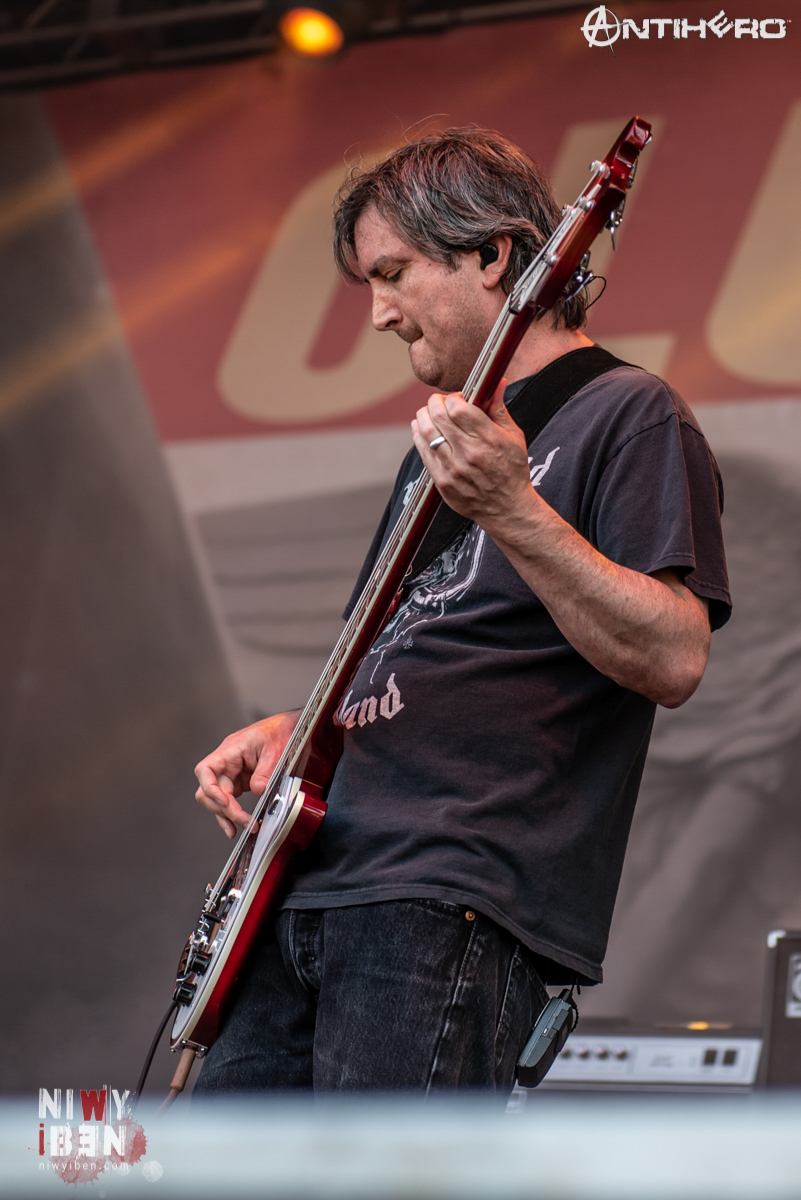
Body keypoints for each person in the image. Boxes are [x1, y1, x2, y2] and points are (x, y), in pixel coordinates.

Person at [192, 128, 730, 1094]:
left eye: (392, 274)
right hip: (307, 885)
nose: (377, 315)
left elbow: (674, 655)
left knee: (391, 1169)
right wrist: (300, 726)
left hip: (448, 891)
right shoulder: (438, 451)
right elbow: (403, 649)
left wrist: (514, 510)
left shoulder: (629, 412)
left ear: (490, 255)